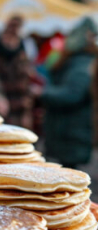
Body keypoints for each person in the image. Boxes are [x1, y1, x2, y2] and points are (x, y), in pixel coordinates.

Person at [36, 17, 97, 168]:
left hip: (72, 132)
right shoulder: (80, 62)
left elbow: (71, 95)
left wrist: (42, 93)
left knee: (68, 180)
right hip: (68, 132)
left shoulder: (82, 64)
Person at [0, 15, 35, 129]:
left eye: (17, 26)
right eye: (12, 25)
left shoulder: (22, 45)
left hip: (20, 99)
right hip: (3, 96)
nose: (14, 29)